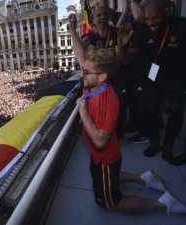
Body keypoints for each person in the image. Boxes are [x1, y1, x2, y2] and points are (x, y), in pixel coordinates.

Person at [76, 48, 186, 213]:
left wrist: (83, 113)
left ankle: (164, 204)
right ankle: (142, 178)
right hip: (104, 157)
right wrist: (71, 29)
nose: (81, 75)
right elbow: (80, 55)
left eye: (85, 72)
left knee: (109, 203)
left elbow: (100, 141)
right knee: (103, 174)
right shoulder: (92, 85)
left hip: (105, 158)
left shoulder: (106, 102)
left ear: (102, 76)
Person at [117, 0, 186, 163]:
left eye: (154, 18)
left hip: (178, 77)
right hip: (154, 76)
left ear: (166, 13)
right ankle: (155, 143)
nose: (150, 23)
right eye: (147, 19)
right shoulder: (143, 31)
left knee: (176, 112)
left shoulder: (182, 26)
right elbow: (127, 60)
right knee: (150, 111)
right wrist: (121, 46)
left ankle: (168, 145)